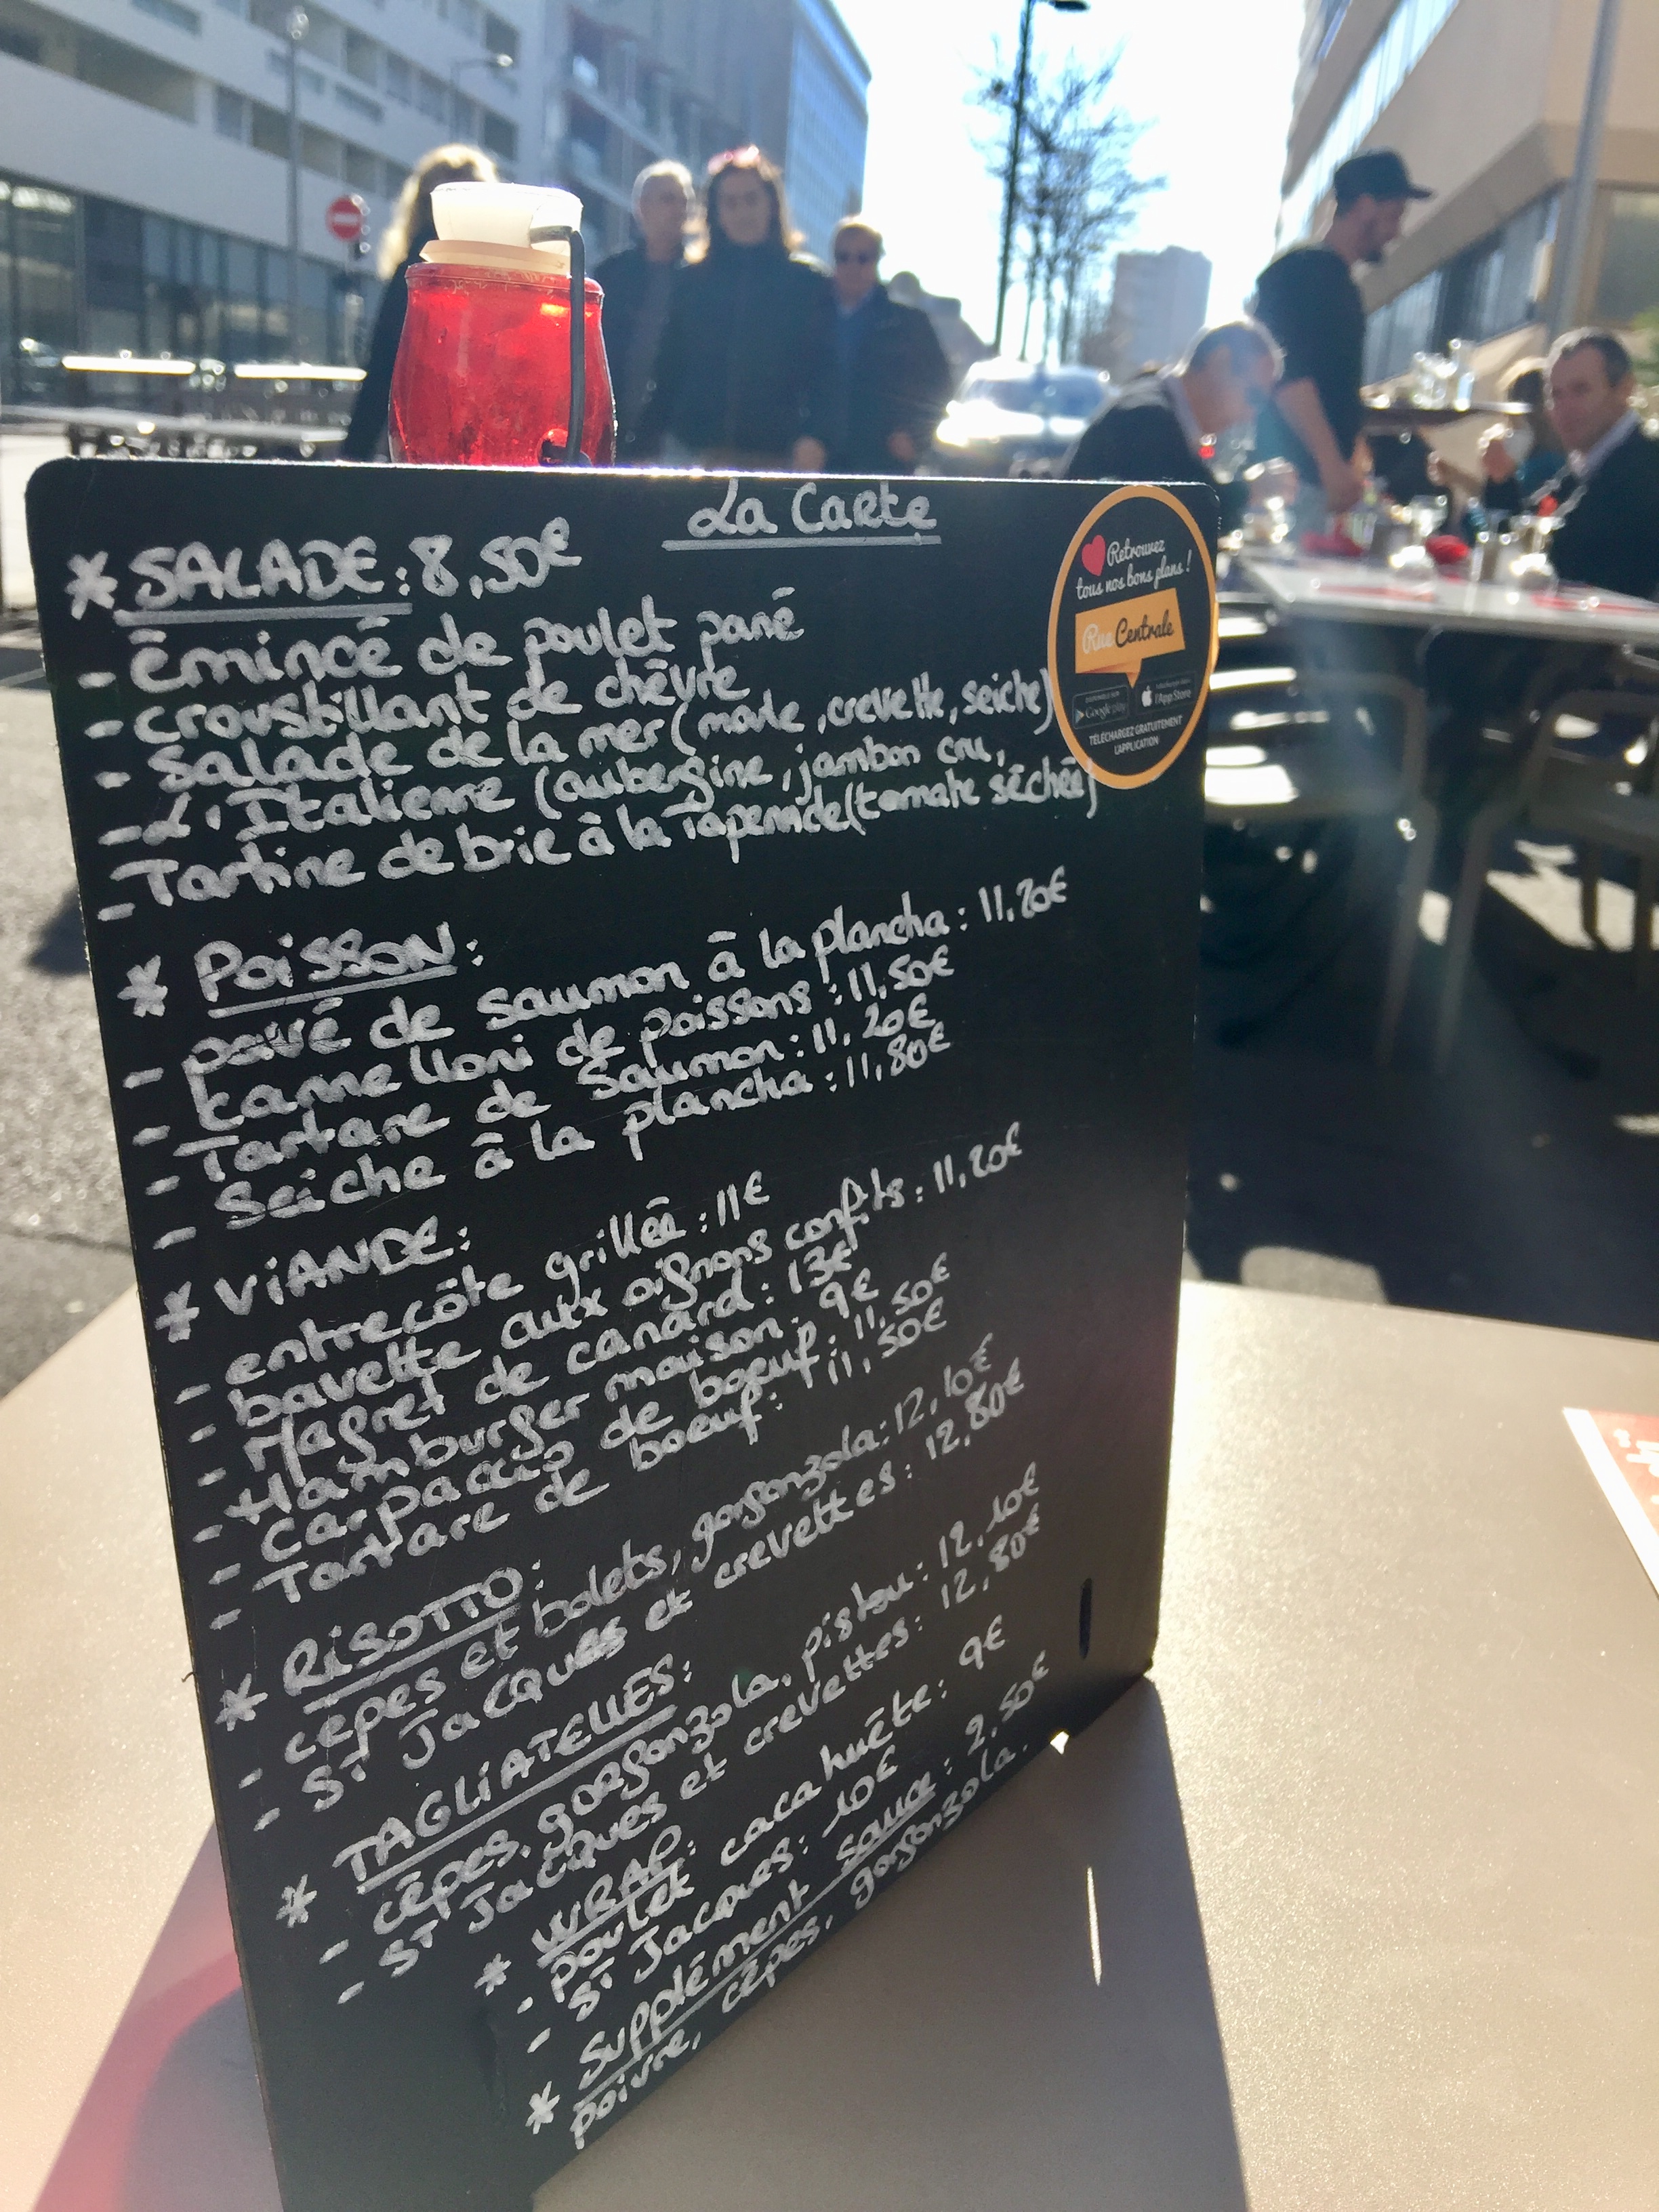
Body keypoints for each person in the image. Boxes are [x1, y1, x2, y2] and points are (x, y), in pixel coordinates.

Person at [1252, 148, 1432, 519]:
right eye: (1394, 215)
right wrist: (1331, 465)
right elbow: (1289, 375)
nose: (1397, 232)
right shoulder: (1305, 273)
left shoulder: (1332, 279)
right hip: (1293, 484)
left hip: (1307, 480)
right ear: (1365, 207)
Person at [634, 146, 833, 469]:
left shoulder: (809, 283)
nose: (742, 212)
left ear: (772, 205)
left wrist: (817, 435)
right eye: (730, 203)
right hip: (692, 452)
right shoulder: (690, 281)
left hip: (777, 456)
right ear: (715, 213)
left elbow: (827, 374)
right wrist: (643, 445)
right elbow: (667, 371)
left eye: (751, 200)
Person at [340, 142, 495, 462]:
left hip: (420, 441)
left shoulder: (412, 272)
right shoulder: (501, 275)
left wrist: (352, 458)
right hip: (488, 440)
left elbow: (382, 367)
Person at [1065, 321, 1294, 533]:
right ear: (1220, 362)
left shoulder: (1157, 404)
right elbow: (1182, 519)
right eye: (1254, 396)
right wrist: (1251, 491)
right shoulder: (1148, 419)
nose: (1250, 415)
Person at [819, 218, 952, 474]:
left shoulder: (910, 324)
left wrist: (916, 436)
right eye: (843, 257)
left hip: (885, 466)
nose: (852, 266)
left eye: (863, 258)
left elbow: (941, 384)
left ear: (877, 261)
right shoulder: (812, 317)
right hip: (819, 464)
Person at [595, 161, 693, 457]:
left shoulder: (698, 281)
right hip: (609, 421)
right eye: (668, 200)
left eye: (684, 201)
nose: (679, 210)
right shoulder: (611, 274)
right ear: (643, 207)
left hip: (670, 437)